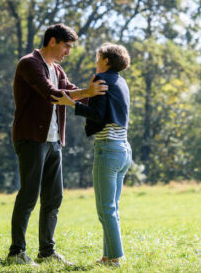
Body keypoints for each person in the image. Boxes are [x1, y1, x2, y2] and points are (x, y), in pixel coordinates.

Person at [7, 23, 108, 266]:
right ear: (52, 41)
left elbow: (70, 90)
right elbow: (52, 93)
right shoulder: (29, 63)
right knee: (29, 195)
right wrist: (88, 91)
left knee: (54, 197)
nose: (68, 51)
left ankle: (47, 251)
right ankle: (16, 252)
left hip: (54, 141)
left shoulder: (57, 69)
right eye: (66, 46)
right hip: (31, 138)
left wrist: (94, 93)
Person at [53, 43, 131, 267]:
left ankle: (115, 257)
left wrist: (71, 103)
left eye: (98, 57)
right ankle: (107, 257)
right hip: (123, 149)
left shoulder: (101, 79)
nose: (95, 61)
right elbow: (106, 112)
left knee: (105, 209)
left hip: (108, 149)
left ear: (106, 60)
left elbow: (97, 115)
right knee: (112, 208)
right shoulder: (121, 82)